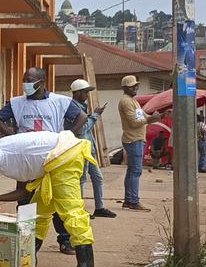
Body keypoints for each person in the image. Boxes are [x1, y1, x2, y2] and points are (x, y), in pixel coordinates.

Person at [0, 131, 97, 267]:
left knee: (71, 211)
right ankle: (27, 259)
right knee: (38, 213)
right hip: (54, 163)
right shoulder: (15, 158)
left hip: (64, 155)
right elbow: (23, 192)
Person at [0, 67, 88, 254]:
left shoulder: (59, 101)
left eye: (30, 80)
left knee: (57, 199)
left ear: (42, 83)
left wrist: (66, 136)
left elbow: (82, 117)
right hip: (26, 158)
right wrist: (12, 137)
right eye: (24, 79)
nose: (26, 84)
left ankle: (65, 240)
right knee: (25, 199)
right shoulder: (17, 103)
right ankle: (26, 241)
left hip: (53, 157)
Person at [69, 79, 116, 218]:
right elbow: (82, 129)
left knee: (97, 177)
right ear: (77, 92)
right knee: (81, 179)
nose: (87, 95)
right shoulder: (73, 108)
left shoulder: (81, 106)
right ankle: (79, 209)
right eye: (85, 92)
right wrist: (95, 115)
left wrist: (92, 115)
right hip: (81, 149)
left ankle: (99, 207)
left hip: (89, 149)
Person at [117, 75, 164, 211]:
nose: (135, 88)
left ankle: (129, 200)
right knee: (135, 171)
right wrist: (151, 120)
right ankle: (133, 201)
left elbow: (143, 117)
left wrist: (160, 116)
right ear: (125, 88)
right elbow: (134, 122)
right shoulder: (126, 102)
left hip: (136, 139)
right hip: (133, 139)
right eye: (132, 86)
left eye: (136, 86)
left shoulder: (133, 101)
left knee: (133, 171)